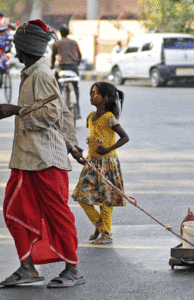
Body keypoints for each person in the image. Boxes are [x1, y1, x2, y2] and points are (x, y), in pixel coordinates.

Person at [0, 19, 86, 288]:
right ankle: (27, 268)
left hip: (46, 160)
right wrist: (73, 144)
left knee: (58, 214)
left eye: (17, 48)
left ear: (24, 49)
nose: (16, 53)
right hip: (27, 158)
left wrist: (16, 110)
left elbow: (50, 114)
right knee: (16, 211)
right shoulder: (33, 73)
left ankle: (73, 269)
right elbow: (64, 113)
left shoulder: (42, 75)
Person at [72, 82, 129, 244]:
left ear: (105, 98)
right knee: (81, 196)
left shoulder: (110, 117)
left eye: (96, 93)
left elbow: (125, 137)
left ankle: (106, 233)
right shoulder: (90, 117)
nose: (92, 96)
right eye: (91, 92)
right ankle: (99, 225)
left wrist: (108, 149)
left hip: (107, 162)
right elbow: (93, 138)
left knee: (106, 199)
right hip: (92, 162)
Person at [51, 24, 82, 119]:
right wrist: (77, 63)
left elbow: (53, 57)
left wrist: (52, 66)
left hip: (63, 68)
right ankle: (77, 110)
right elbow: (79, 55)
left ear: (60, 33)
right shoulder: (74, 42)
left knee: (56, 83)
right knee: (76, 87)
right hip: (74, 68)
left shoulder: (57, 43)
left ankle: (58, 103)